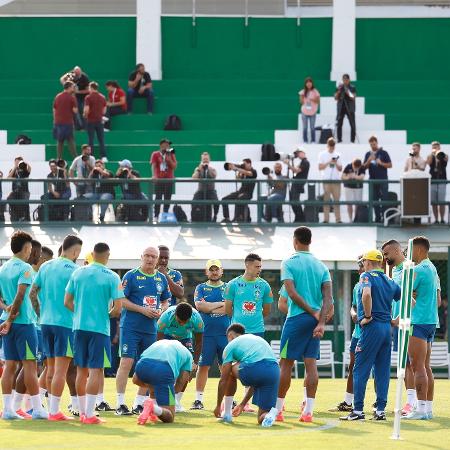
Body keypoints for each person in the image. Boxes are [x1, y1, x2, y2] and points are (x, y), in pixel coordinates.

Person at [276, 226, 332, 423]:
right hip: (315, 321)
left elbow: (291, 293)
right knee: (311, 365)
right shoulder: (321, 266)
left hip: (297, 319)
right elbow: (328, 298)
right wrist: (321, 321)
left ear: (295, 240)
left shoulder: (289, 262)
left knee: (285, 364)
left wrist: (311, 312)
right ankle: (308, 412)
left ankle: (278, 410)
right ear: (310, 241)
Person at [64, 242, 124, 424]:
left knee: (81, 370)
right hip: (99, 329)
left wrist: (81, 313)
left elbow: (67, 302)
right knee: (96, 370)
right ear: (108, 255)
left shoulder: (77, 272)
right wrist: (104, 315)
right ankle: (89, 414)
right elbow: (118, 308)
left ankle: (82, 411)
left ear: (92, 254)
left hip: (79, 327)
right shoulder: (113, 276)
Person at [340, 249, 401, 421]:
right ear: (381, 262)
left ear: (368, 262)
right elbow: (408, 300)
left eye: (364, 261)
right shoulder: (389, 280)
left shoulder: (366, 277)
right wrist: (395, 319)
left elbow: (366, 294)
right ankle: (380, 410)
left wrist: (367, 316)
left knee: (360, 369)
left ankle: (358, 411)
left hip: (372, 327)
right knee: (382, 370)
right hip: (386, 329)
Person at [30, 235, 83, 421]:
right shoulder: (76, 270)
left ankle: (49, 409)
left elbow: (32, 293)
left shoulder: (45, 266)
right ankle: (54, 412)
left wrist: (40, 313)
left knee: (50, 369)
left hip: (45, 323)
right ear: (76, 251)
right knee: (60, 370)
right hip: (65, 324)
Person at [115, 246, 171, 416]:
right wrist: (142, 310)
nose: (150, 259)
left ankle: (139, 403)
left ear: (158, 259)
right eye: (147, 255)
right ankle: (120, 403)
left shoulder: (161, 278)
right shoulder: (131, 275)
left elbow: (165, 301)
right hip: (131, 327)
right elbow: (121, 300)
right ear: (141, 257)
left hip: (150, 329)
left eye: (154, 256)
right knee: (126, 363)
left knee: (147, 366)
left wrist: (161, 310)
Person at [0, 231, 48, 420]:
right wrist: (11, 319)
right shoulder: (25, 268)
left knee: (10, 365)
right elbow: (21, 296)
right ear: (27, 248)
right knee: (30, 365)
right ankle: (36, 409)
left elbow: (6, 299)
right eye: (30, 249)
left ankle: (8, 410)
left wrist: (6, 311)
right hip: (23, 323)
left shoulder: (2, 268)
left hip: (6, 320)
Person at [213, 324, 279, 427]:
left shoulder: (230, 345)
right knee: (261, 417)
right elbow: (255, 382)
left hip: (256, 368)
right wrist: (242, 404)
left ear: (230, 335)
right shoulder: (255, 339)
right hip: (274, 371)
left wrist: (218, 406)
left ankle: (226, 414)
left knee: (229, 370)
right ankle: (269, 416)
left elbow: (223, 379)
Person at [404, 236, 439, 420]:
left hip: (418, 322)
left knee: (417, 366)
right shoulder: (433, 269)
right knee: (425, 366)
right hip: (431, 321)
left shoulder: (418, 269)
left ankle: (421, 410)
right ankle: (427, 409)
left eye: (409, 250)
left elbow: (402, 291)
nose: (407, 254)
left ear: (417, 250)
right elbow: (437, 299)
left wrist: (409, 291)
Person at [381, 239, 417, 415]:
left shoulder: (410, 268)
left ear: (397, 251)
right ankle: (411, 401)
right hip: (396, 323)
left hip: (408, 322)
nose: (385, 258)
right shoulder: (394, 270)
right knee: (404, 363)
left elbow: (411, 299)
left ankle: (414, 402)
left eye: (387, 254)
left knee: (410, 363)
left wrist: (398, 317)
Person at [191, 259, 229, 410]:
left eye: (217, 269)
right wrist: (220, 304)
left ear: (222, 271)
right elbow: (200, 306)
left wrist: (209, 307)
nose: (214, 272)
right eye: (211, 269)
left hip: (225, 334)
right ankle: (198, 400)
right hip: (206, 334)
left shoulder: (228, 287)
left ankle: (228, 399)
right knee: (203, 366)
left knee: (226, 367)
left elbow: (229, 308)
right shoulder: (200, 288)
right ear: (206, 272)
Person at [132, 339, 193, 424]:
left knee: (155, 385)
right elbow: (180, 383)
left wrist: (155, 389)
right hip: (163, 370)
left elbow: (135, 379)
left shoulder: (159, 342)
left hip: (142, 366)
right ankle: (153, 407)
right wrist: (169, 394)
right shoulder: (188, 355)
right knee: (170, 416)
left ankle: (151, 411)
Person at [157, 303, 204, 412]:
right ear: (175, 316)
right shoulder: (165, 317)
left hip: (185, 339)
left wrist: (195, 363)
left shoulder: (197, 319)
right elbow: (159, 340)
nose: (182, 324)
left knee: (187, 369)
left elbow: (199, 342)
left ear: (190, 318)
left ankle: (176, 401)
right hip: (167, 337)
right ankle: (162, 399)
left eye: (185, 322)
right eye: (179, 321)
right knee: (166, 368)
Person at [332, 257, 364, 412]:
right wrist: (353, 313)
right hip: (357, 333)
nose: (359, 270)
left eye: (362, 266)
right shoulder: (357, 285)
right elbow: (353, 306)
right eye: (359, 267)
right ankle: (348, 402)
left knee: (376, 369)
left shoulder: (379, 282)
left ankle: (379, 404)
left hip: (371, 333)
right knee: (353, 367)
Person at [363, 136, 392, 223]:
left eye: (374, 144)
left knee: (384, 199)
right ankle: (377, 218)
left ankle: (385, 218)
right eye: (371, 144)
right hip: (372, 181)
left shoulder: (384, 153)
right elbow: (364, 167)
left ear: (377, 142)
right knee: (374, 200)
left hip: (383, 180)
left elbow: (390, 165)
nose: (373, 145)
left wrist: (381, 163)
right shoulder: (368, 154)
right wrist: (368, 160)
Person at [221, 159, 257, 223]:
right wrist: (237, 171)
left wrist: (237, 168)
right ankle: (227, 218)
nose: (243, 165)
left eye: (244, 164)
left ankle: (239, 218)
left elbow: (249, 174)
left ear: (249, 164)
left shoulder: (253, 171)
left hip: (248, 193)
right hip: (240, 191)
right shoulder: (243, 172)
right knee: (224, 199)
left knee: (239, 199)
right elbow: (238, 179)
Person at [150, 139, 177, 219]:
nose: (168, 146)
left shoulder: (171, 153)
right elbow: (153, 166)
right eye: (166, 145)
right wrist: (154, 175)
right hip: (159, 179)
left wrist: (169, 161)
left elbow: (174, 166)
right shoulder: (155, 154)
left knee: (167, 198)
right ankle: (156, 215)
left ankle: (165, 214)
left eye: (169, 145)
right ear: (161, 145)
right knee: (158, 197)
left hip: (169, 179)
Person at [318, 137, 342, 223]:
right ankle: (326, 219)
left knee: (336, 201)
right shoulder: (322, 154)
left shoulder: (338, 155)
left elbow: (340, 169)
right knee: (326, 201)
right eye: (330, 146)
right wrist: (329, 162)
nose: (332, 147)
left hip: (336, 180)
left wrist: (335, 163)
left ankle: (338, 219)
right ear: (327, 145)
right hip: (326, 180)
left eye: (333, 146)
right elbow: (320, 167)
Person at [53, 81, 78, 159]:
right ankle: (75, 158)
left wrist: (55, 119)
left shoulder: (58, 96)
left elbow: (54, 108)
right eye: (72, 87)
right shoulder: (71, 97)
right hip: (68, 122)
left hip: (58, 122)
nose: (73, 88)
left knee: (60, 141)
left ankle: (58, 158)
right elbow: (75, 111)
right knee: (70, 140)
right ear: (69, 87)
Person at [192, 152, 219, 222]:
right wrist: (199, 169)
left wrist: (208, 168)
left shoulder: (212, 169)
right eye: (204, 159)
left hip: (211, 191)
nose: (205, 160)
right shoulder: (198, 168)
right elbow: (194, 178)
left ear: (209, 160)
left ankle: (215, 216)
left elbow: (214, 176)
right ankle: (194, 217)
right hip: (201, 190)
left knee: (217, 202)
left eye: (206, 159)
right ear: (201, 160)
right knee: (194, 201)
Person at [83, 82, 107, 162]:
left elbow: (86, 109)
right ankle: (104, 156)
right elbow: (104, 111)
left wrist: (85, 115)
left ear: (91, 88)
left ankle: (90, 155)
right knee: (101, 139)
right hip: (99, 121)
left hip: (91, 120)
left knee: (90, 139)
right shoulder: (102, 97)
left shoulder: (88, 97)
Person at [284, 149, 310, 222]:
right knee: (292, 201)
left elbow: (296, 170)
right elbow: (295, 170)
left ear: (303, 153)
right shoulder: (302, 162)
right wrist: (290, 163)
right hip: (296, 183)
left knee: (295, 201)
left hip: (298, 184)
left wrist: (288, 164)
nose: (297, 155)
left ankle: (301, 218)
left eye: (298, 153)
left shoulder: (305, 162)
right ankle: (298, 218)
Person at [427, 141, 448, 224]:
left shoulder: (444, 155)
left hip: (442, 181)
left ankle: (442, 219)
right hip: (433, 181)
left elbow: (446, 159)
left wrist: (439, 154)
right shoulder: (430, 156)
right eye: (433, 147)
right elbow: (428, 163)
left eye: (437, 147)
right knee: (434, 202)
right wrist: (432, 155)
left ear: (439, 147)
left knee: (442, 201)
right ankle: (436, 219)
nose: (435, 148)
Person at [7, 156, 31, 222]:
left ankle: (22, 217)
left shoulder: (24, 170)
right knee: (9, 198)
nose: (17, 163)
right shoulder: (13, 170)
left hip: (24, 191)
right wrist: (14, 167)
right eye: (16, 162)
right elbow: (8, 178)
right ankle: (20, 216)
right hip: (15, 191)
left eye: (19, 162)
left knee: (23, 199)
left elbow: (29, 169)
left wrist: (25, 163)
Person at [341, 158, 365, 222]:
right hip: (348, 187)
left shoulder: (362, 167)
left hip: (358, 187)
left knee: (358, 204)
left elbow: (362, 177)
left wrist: (354, 176)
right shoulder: (348, 166)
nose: (355, 168)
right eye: (354, 167)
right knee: (349, 203)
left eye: (357, 167)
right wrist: (348, 177)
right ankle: (350, 219)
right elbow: (343, 177)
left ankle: (356, 219)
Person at [335, 74, 356, 143]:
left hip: (350, 108)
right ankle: (339, 140)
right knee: (339, 124)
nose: (345, 81)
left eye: (346, 79)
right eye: (344, 79)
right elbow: (335, 98)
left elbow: (353, 97)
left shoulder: (352, 87)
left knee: (352, 124)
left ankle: (352, 140)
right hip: (341, 107)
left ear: (349, 80)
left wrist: (347, 90)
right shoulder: (340, 87)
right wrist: (338, 91)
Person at [299, 77, 320, 143]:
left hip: (313, 112)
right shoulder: (303, 91)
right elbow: (301, 102)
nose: (308, 84)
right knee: (305, 127)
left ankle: (313, 140)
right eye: (307, 82)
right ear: (305, 84)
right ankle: (305, 140)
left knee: (312, 127)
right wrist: (302, 97)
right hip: (304, 111)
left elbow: (318, 101)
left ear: (312, 83)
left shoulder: (315, 91)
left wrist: (311, 99)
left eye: (310, 82)